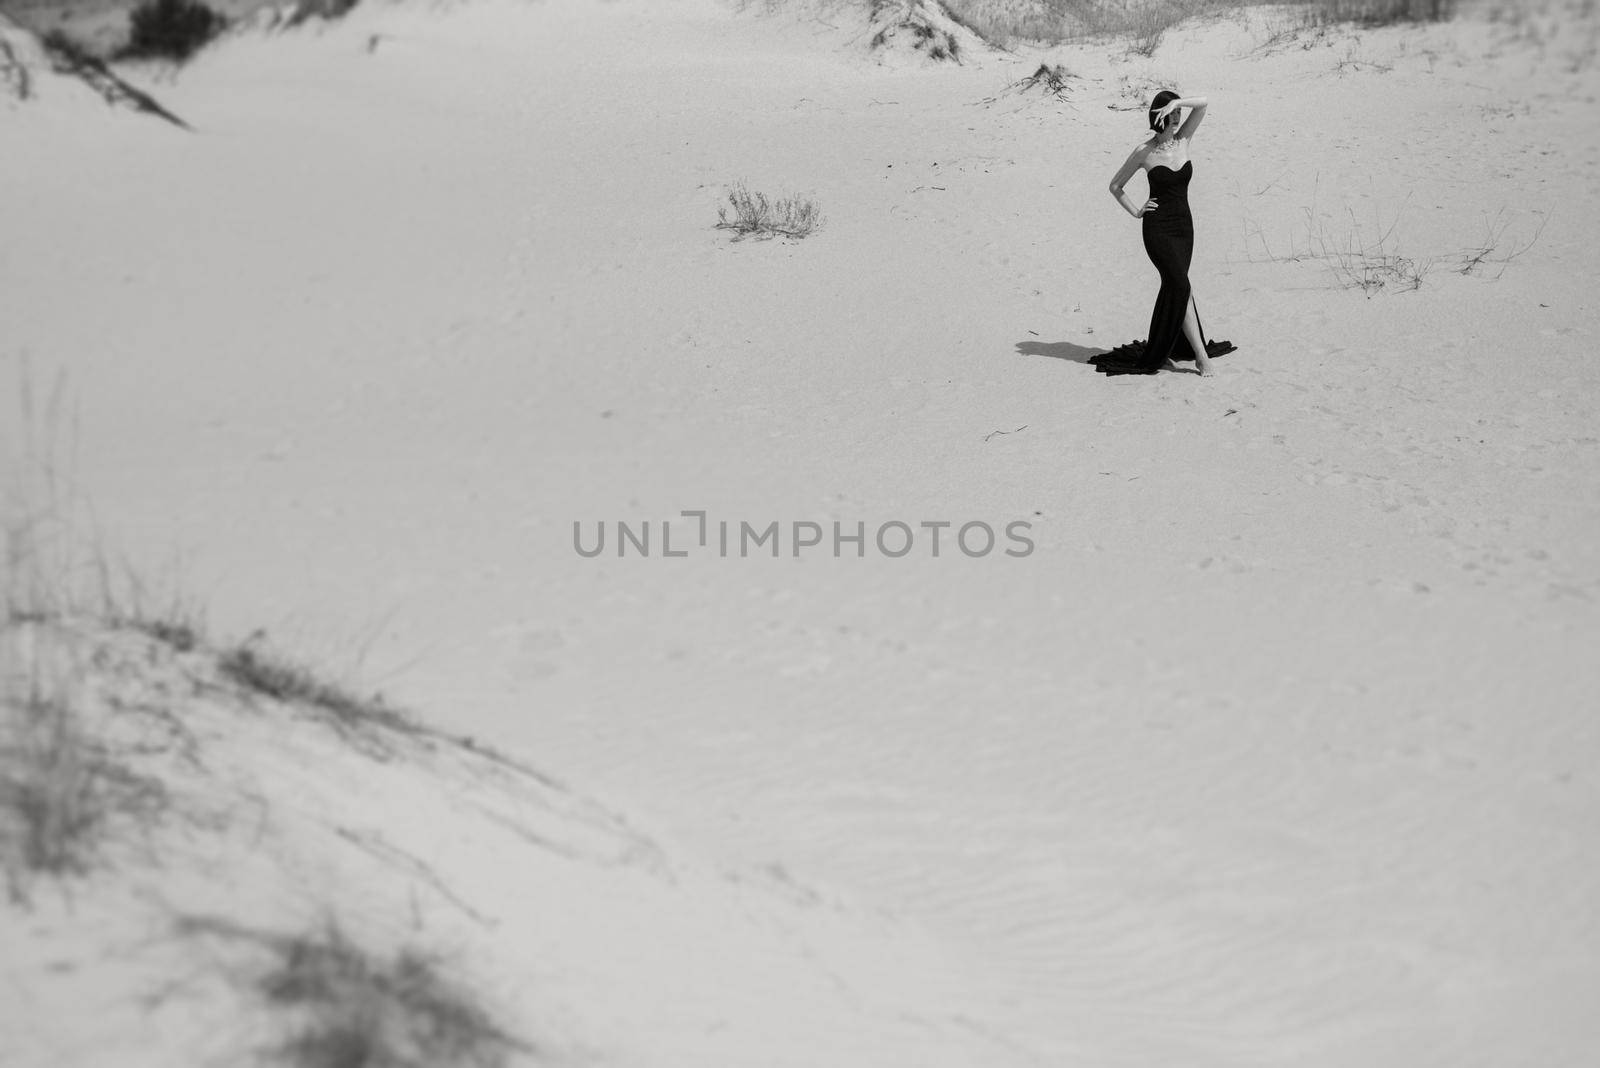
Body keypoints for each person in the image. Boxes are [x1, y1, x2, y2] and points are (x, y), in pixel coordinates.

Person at [1097, 90, 1232, 376]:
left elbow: (1205, 103)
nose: (1175, 123)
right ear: (1158, 120)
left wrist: (1178, 103)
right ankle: (1200, 356)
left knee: (1179, 283)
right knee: (1181, 285)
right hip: (1157, 229)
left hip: (1184, 226)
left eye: (1177, 118)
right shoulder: (1143, 152)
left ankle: (1175, 345)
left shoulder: (1184, 139)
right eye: (1170, 119)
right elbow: (1115, 186)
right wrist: (1136, 211)